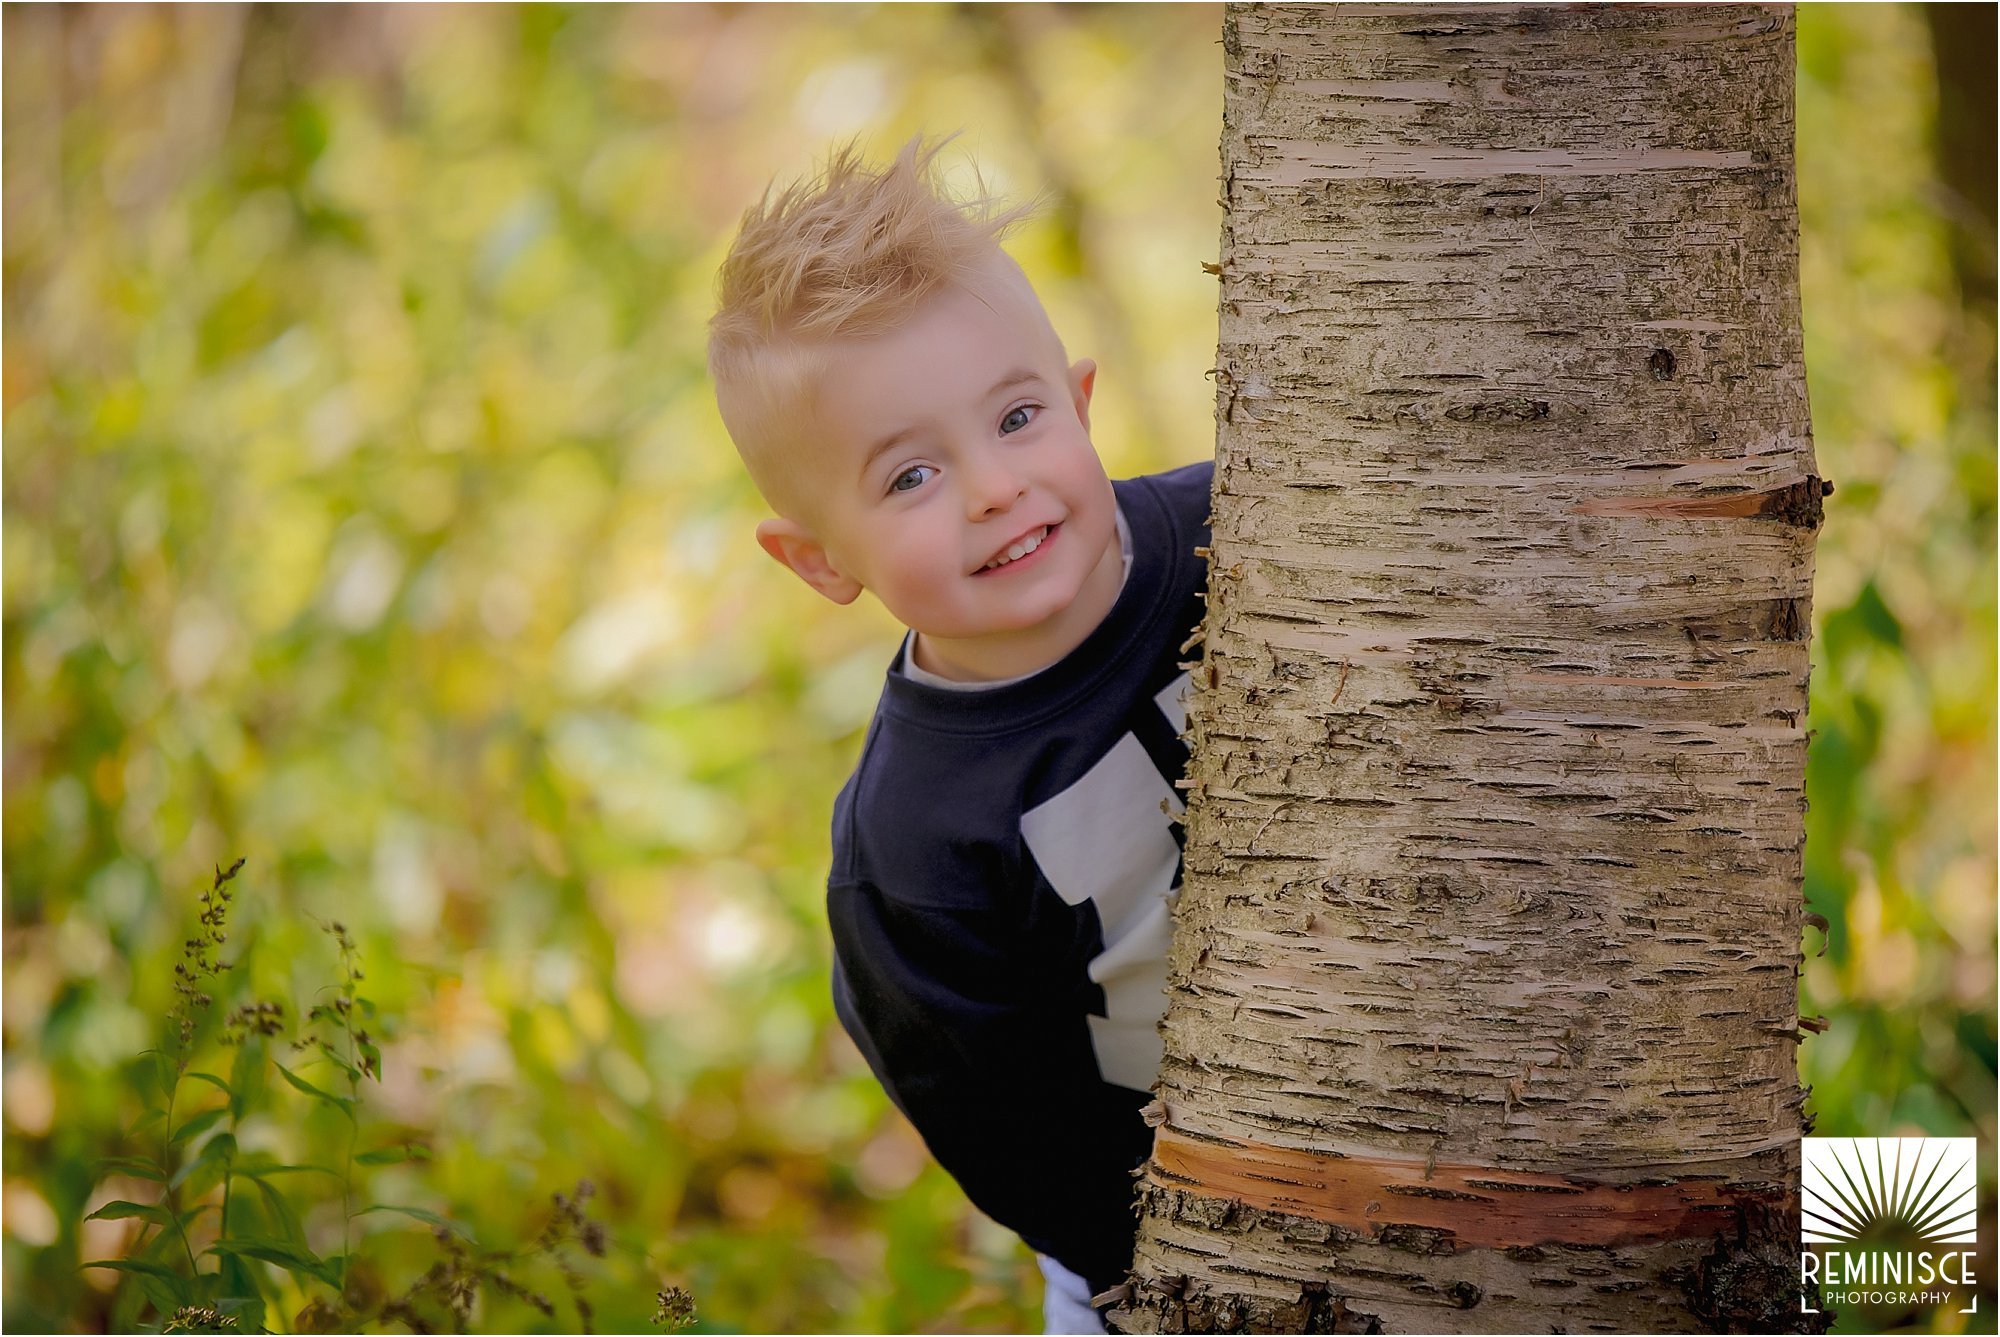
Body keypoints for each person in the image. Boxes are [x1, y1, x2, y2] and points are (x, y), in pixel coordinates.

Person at [706, 130, 1211, 1335]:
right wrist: (1135, 1264)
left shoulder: (1232, 535)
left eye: (1018, 416)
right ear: (819, 559)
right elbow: (993, 1110)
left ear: (1082, 406)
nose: (991, 486)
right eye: (909, 478)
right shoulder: (912, 847)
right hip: (1141, 1242)